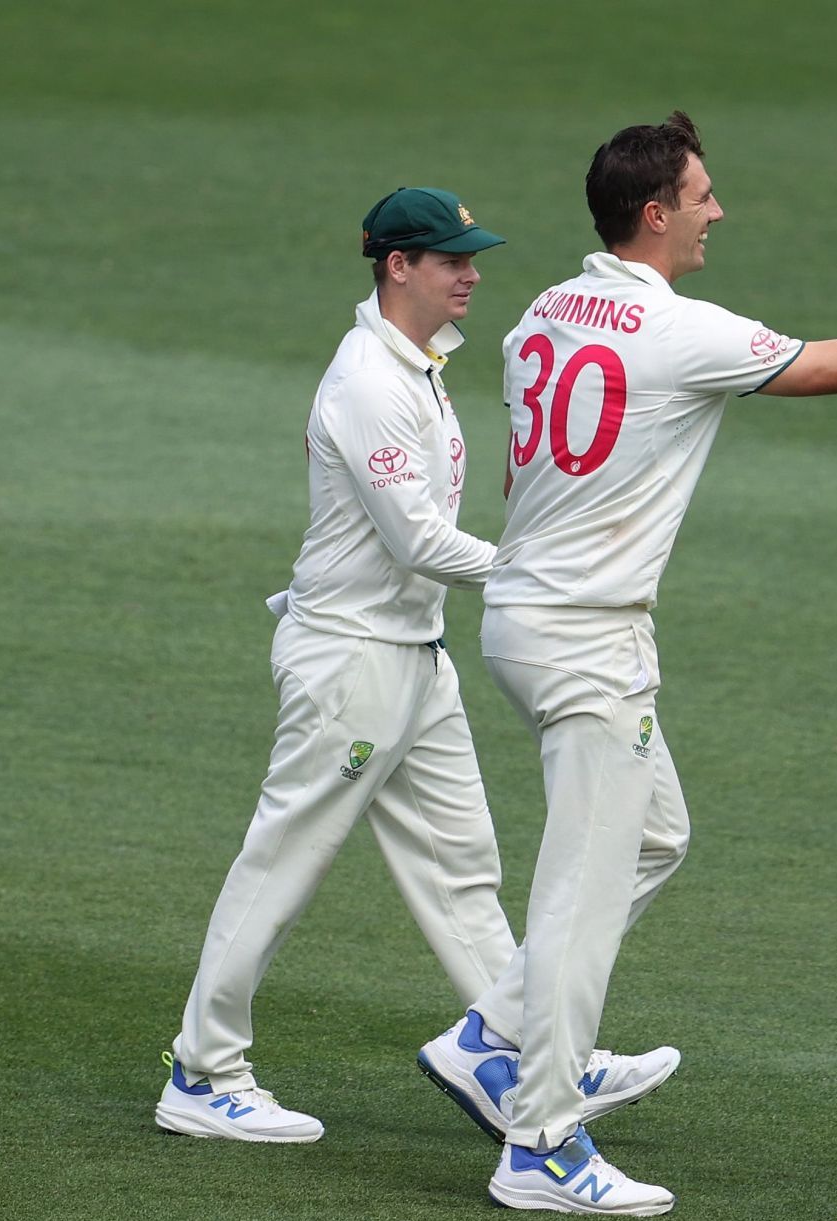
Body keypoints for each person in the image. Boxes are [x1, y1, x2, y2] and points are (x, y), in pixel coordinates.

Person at [413, 111, 837, 1215]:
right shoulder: (680, 331)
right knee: (579, 887)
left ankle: (493, 1041)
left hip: (524, 616)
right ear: (655, 213)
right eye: (704, 195)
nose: (720, 211)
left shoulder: (535, 318)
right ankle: (541, 1141)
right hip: (587, 640)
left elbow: (528, 486)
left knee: (655, 832)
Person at [154, 188, 670, 1143]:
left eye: (471, 257)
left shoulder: (417, 365)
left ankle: (518, 1053)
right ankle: (201, 1070)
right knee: (284, 863)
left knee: (464, 869)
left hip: (413, 657)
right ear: (398, 266)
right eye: (450, 260)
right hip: (351, 661)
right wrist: (539, 576)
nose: (471, 273)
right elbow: (420, 539)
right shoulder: (370, 381)